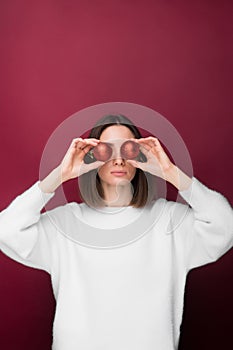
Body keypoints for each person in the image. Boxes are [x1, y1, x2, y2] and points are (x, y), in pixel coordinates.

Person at [0, 114, 232, 350]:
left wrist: (169, 172)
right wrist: (59, 175)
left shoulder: (169, 221)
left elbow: (225, 225)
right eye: (106, 151)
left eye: (128, 150)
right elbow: (6, 230)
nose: (118, 160)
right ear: (93, 157)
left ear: (140, 157)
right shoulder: (67, 223)